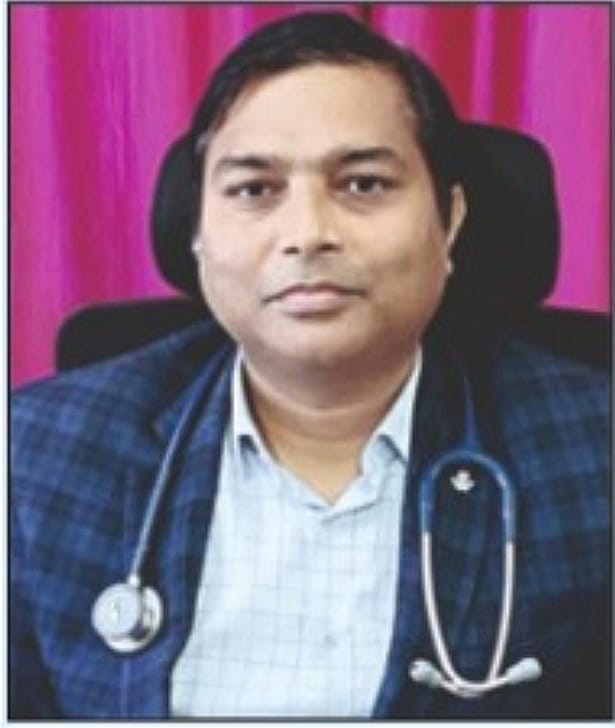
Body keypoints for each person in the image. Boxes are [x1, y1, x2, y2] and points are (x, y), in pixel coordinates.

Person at [10, 11, 610, 719]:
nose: (307, 234)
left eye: (363, 184)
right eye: (254, 190)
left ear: (448, 220)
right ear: (197, 232)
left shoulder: (591, 448)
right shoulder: (37, 454)